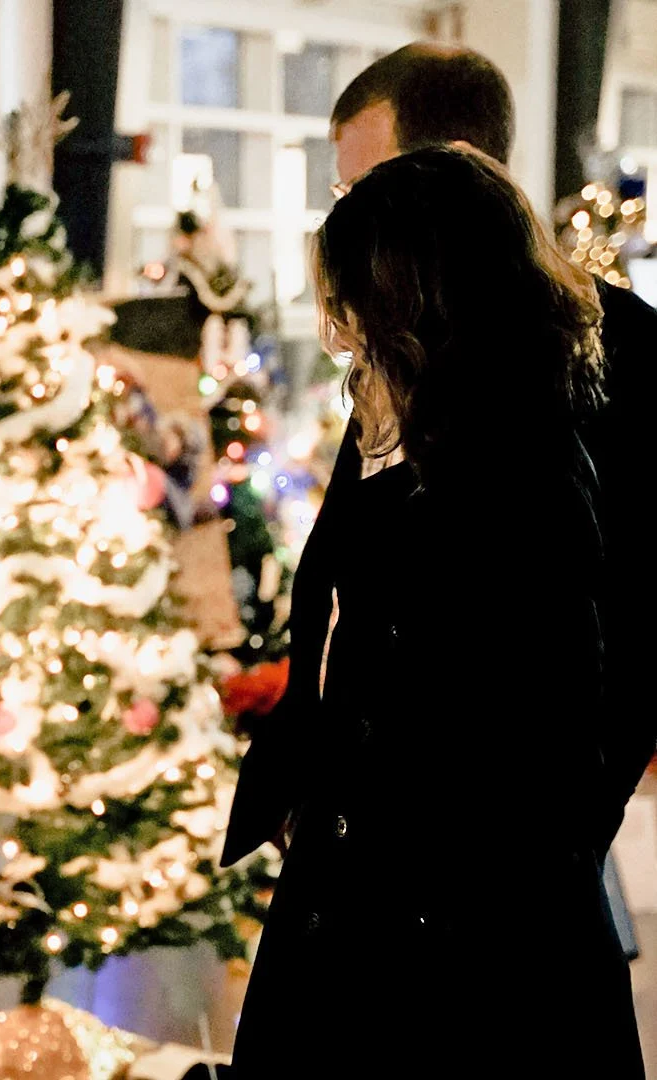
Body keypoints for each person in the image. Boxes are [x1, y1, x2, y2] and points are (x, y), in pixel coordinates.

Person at [228, 144, 642, 1077]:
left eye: (356, 314)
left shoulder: (522, 474)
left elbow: (541, 749)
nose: (343, 343)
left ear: (420, 306)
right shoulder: (422, 435)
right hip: (365, 904)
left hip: (458, 951)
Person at [223, 42, 657, 877]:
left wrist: (559, 846)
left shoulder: (620, 349)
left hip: (499, 863)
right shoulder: (401, 344)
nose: (351, 214)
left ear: (455, 166)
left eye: (364, 185)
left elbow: (631, 630)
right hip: (356, 847)